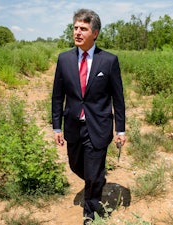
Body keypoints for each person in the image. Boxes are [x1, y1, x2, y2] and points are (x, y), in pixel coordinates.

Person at [51, 8, 126, 224]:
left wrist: (121, 130)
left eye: (83, 28)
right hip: (73, 125)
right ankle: (96, 180)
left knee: (92, 174)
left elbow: (118, 98)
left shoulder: (109, 61)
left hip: (99, 126)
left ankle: (90, 212)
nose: (77, 32)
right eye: (75, 28)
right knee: (75, 166)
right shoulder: (64, 59)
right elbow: (58, 96)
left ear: (95, 33)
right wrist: (57, 127)